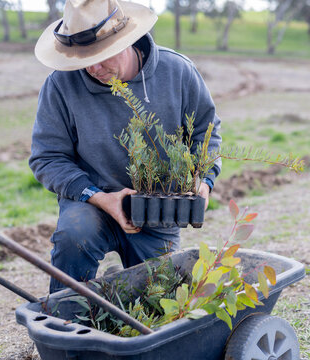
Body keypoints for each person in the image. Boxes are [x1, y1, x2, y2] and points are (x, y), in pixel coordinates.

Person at [29, 0, 222, 293]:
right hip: (92, 203)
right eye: (83, 59)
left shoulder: (178, 72)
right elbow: (47, 158)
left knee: (159, 302)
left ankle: (123, 293)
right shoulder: (60, 86)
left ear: (126, 39)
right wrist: (100, 197)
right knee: (74, 234)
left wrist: (204, 182)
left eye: (103, 56)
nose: (93, 67)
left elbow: (205, 134)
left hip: (158, 208)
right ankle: (64, 324)